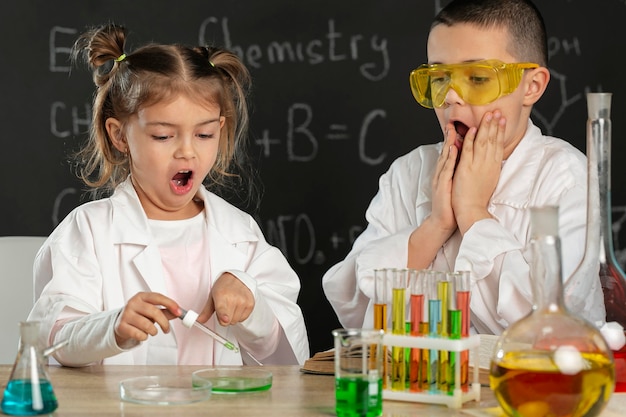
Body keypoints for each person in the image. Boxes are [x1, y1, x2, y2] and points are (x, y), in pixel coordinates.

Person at [28, 23, 309, 366]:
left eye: (204, 135)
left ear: (220, 129)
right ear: (120, 136)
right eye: (163, 136)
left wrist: (252, 305)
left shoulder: (241, 235)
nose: (187, 153)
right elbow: (51, 341)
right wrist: (111, 329)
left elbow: (287, 357)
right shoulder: (88, 231)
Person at [322, 0, 605, 334]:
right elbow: (354, 308)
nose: (452, 96)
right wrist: (437, 224)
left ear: (532, 86)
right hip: (418, 382)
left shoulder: (565, 176)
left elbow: (553, 324)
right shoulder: (408, 173)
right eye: (440, 77)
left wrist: (471, 211)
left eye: (478, 78)